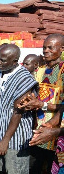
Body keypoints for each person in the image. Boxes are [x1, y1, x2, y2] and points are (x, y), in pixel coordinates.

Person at [19, 34, 64, 174]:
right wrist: (27, 102)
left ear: (62, 49)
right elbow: (34, 96)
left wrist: (41, 105)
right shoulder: (40, 70)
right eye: (44, 47)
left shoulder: (63, 71)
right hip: (37, 130)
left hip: (55, 133)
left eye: (51, 47)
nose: (46, 50)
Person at [0, 44, 38, 173]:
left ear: (15, 61)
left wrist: (5, 140)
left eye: (3, 60)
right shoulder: (0, 71)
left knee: (15, 169)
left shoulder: (24, 78)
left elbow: (18, 112)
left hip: (15, 137)